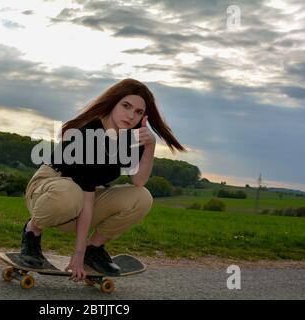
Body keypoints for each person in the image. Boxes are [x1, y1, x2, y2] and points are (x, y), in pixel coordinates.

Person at [21, 78, 186, 282]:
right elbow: (85, 196)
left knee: (142, 197)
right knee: (69, 194)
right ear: (113, 103)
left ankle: (95, 248)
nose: (131, 115)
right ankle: (32, 231)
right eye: (126, 106)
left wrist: (150, 146)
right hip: (49, 190)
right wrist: (76, 256)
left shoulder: (133, 138)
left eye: (138, 112)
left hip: (81, 201)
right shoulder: (89, 134)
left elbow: (139, 181)